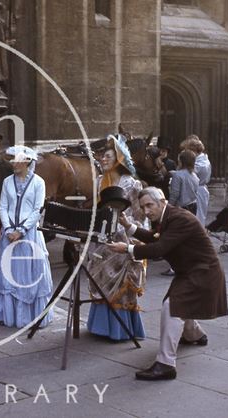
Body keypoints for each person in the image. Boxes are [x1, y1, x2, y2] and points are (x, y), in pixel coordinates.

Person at [107, 187, 228, 380]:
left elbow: (159, 248)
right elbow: (156, 237)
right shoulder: (167, 216)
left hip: (203, 272)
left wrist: (127, 249)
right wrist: (128, 226)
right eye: (143, 207)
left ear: (162, 201)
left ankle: (165, 365)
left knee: (172, 307)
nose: (147, 211)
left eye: (150, 205)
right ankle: (195, 335)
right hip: (191, 271)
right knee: (179, 304)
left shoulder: (179, 219)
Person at [85, 135, 147, 340]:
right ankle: (101, 327)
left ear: (119, 158)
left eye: (107, 155)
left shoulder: (132, 184)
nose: (102, 159)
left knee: (120, 285)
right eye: (101, 155)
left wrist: (134, 238)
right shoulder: (97, 182)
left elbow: (140, 216)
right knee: (100, 279)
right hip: (100, 240)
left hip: (122, 240)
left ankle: (120, 329)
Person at [0, 145, 54, 328]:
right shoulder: (7, 182)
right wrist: (8, 228)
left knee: (29, 274)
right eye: (12, 159)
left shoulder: (39, 183)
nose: (14, 163)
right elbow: (3, 206)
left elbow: (37, 209)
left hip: (29, 235)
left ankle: (31, 316)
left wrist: (21, 230)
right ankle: (11, 315)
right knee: (10, 273)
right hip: (9, 234)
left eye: (17, 160)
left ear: (27, 161)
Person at [181, 135, 211, 225]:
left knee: (197, 217)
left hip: (198, 192)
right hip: (196, 190)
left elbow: (187, 174)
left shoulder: (200, 163)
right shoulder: (199, 160)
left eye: (186, 150)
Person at [168, 150, 199, 216]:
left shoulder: (178, 175)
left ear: (181, 162)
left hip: (181, 208)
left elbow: (174, 194)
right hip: (193, 206)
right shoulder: (194, 175)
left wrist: (168, 208)